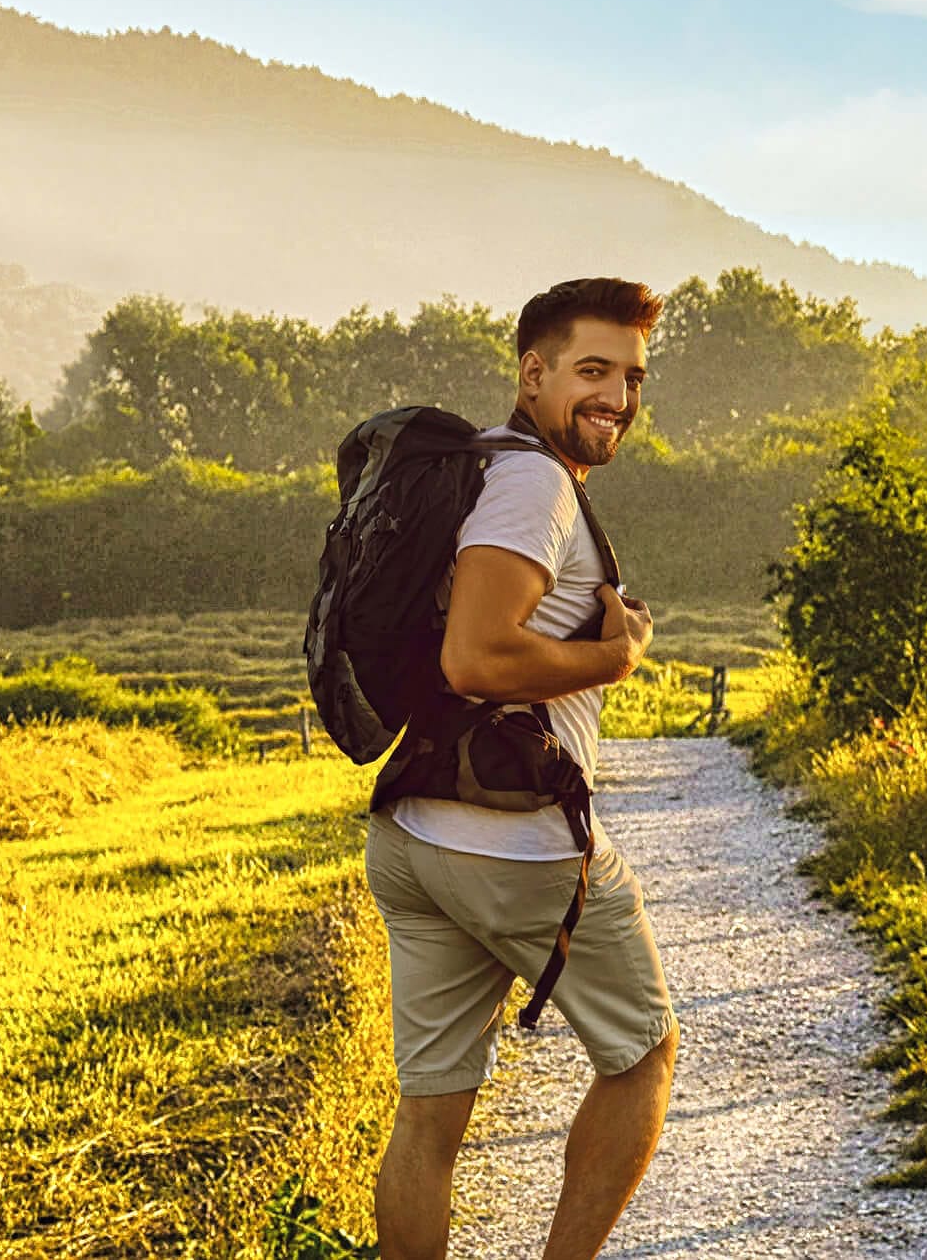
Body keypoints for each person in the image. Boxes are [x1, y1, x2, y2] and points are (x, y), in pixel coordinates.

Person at [366, 277, 678, 1260]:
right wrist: (615, 657)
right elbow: (476, 655)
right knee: (644, 1056)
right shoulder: (533, 485)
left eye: (631, 378)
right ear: (532, 374)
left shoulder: (483, 469)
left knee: (429, 1117)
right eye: (593, 372)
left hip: (415, 832)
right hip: (515, 843)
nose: (618, 399)